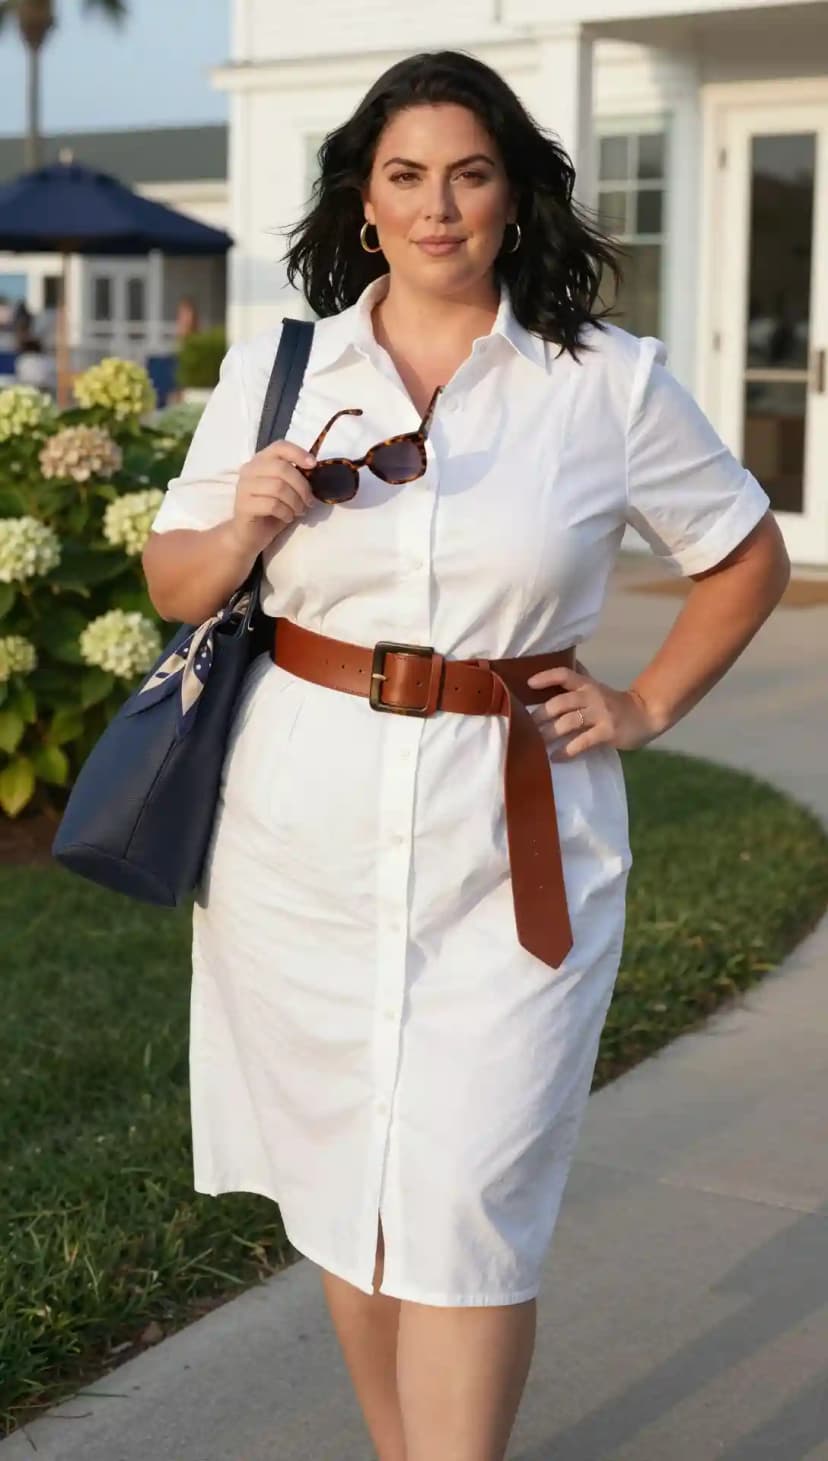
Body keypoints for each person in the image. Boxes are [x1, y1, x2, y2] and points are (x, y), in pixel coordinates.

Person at [142, 50, 790, 1461]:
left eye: (470, 174)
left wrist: (645, 705)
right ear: (363, 202)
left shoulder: (606, 384)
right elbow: (175, 584)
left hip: (513, 843)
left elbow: (745, 556)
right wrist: (244, 523)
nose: (439, 207)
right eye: (407, 176)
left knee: (467, 1206)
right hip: (298, 843)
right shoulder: (281, 371)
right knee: (350, 1189)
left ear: (514, 197)